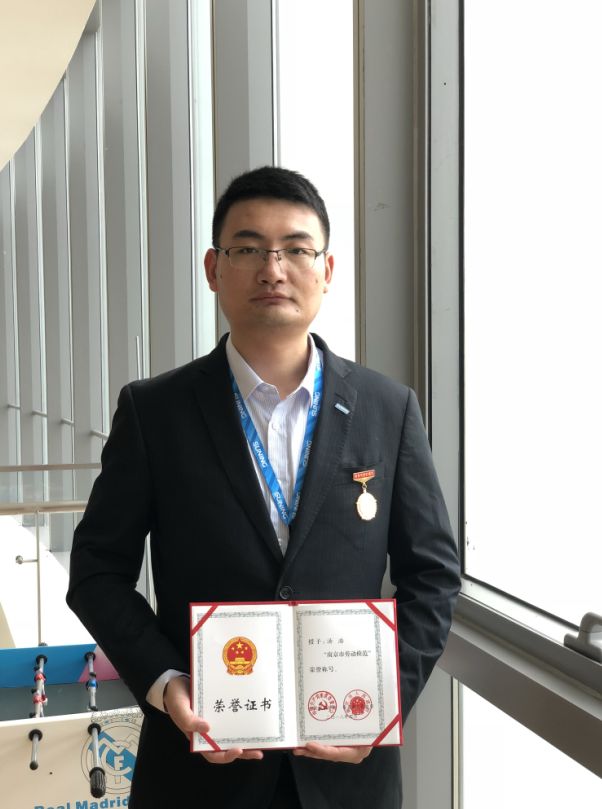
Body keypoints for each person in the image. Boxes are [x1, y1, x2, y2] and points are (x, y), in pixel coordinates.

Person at [67, 166, 460, 808]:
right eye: (248, 249)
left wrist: (387, 699)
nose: (272, 269)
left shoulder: (388, 409)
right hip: (199, 766)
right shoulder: (155, 411)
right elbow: (96, 571)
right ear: (213, 269)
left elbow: (434, 575)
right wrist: (165, 681)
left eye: (296, 249)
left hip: (347, 774)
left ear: (326, 271)